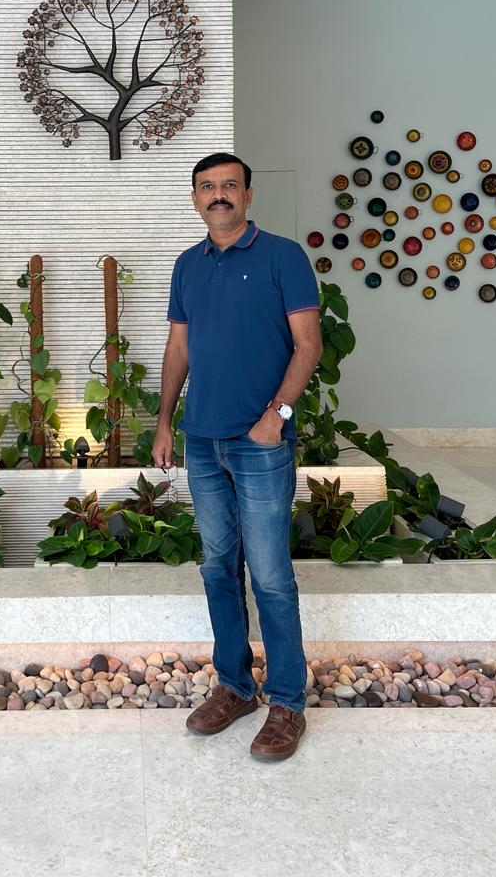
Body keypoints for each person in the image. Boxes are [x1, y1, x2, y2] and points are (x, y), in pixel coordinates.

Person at [152, 152, 322, 760]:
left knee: (271, 575)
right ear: (195, 198)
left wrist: (276, 415)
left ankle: (288, 702)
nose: (218, 194)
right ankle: (235, 686)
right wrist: (165, 421)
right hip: (202, 441)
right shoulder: (187, 264)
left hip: (260, 443)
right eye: (207, 186)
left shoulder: (282, 257)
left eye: (229, 185)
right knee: (218, 567)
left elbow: (309, 344)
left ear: (248, 195)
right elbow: (179, 347)